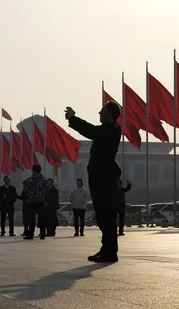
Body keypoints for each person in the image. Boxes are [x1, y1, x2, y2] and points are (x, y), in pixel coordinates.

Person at [66, 101, 122, 263]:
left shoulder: (110, 128)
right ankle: (107, 249)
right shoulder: (110, 129)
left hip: (103, 177)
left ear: (109, 113)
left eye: (102, 110)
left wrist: (73, 119)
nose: (99, 113)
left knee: (105, 215)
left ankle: (110, 252)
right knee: (104, 215)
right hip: (101, 176)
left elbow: (91, 131)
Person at [22, 164, 47, 240]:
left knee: (31, 219)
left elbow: (26, 190)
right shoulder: (44, 181)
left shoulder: (29, 180)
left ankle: (30, 234)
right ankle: (42, 235)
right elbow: (45, 191)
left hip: (32, 202)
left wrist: (30, 195)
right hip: (40, 202)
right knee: (42, 219)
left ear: (33, 170)